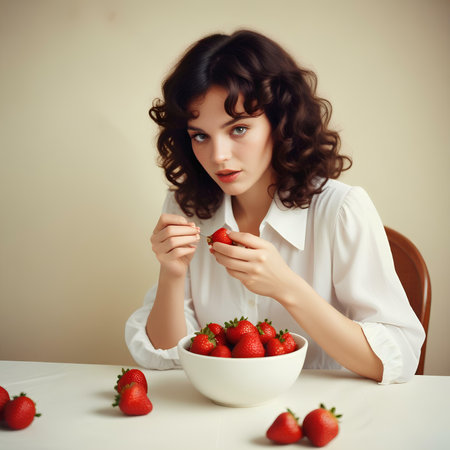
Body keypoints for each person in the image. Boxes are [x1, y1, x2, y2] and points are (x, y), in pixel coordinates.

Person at [125, 29, 425, 383]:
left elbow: (398, 358)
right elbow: (169, 360)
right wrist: (171, 273)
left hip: (321, 420)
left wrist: (287, 287)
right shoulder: (185, 206)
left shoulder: (341, 209)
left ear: (279, 123)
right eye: (200, 136)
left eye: (238, 129)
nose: (218, 156)